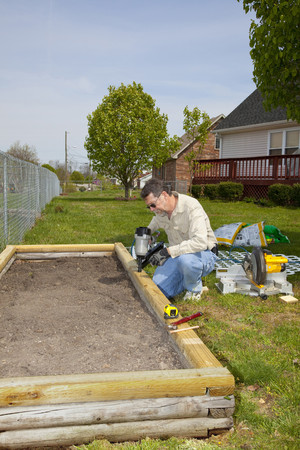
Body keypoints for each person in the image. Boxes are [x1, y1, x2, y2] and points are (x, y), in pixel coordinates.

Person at [140, 178, 218, 301]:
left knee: (186, 261)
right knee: (158, 289)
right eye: (149, 206)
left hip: (203, 253)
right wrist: (147, 232)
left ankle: (194, 288)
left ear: (164, 195)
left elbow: (200, 242)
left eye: (153, 205)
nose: (152, 209)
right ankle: (187, 277)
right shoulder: (161, 211)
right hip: (178, 255)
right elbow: (156, 221)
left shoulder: (191, 207)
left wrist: (167, 252)